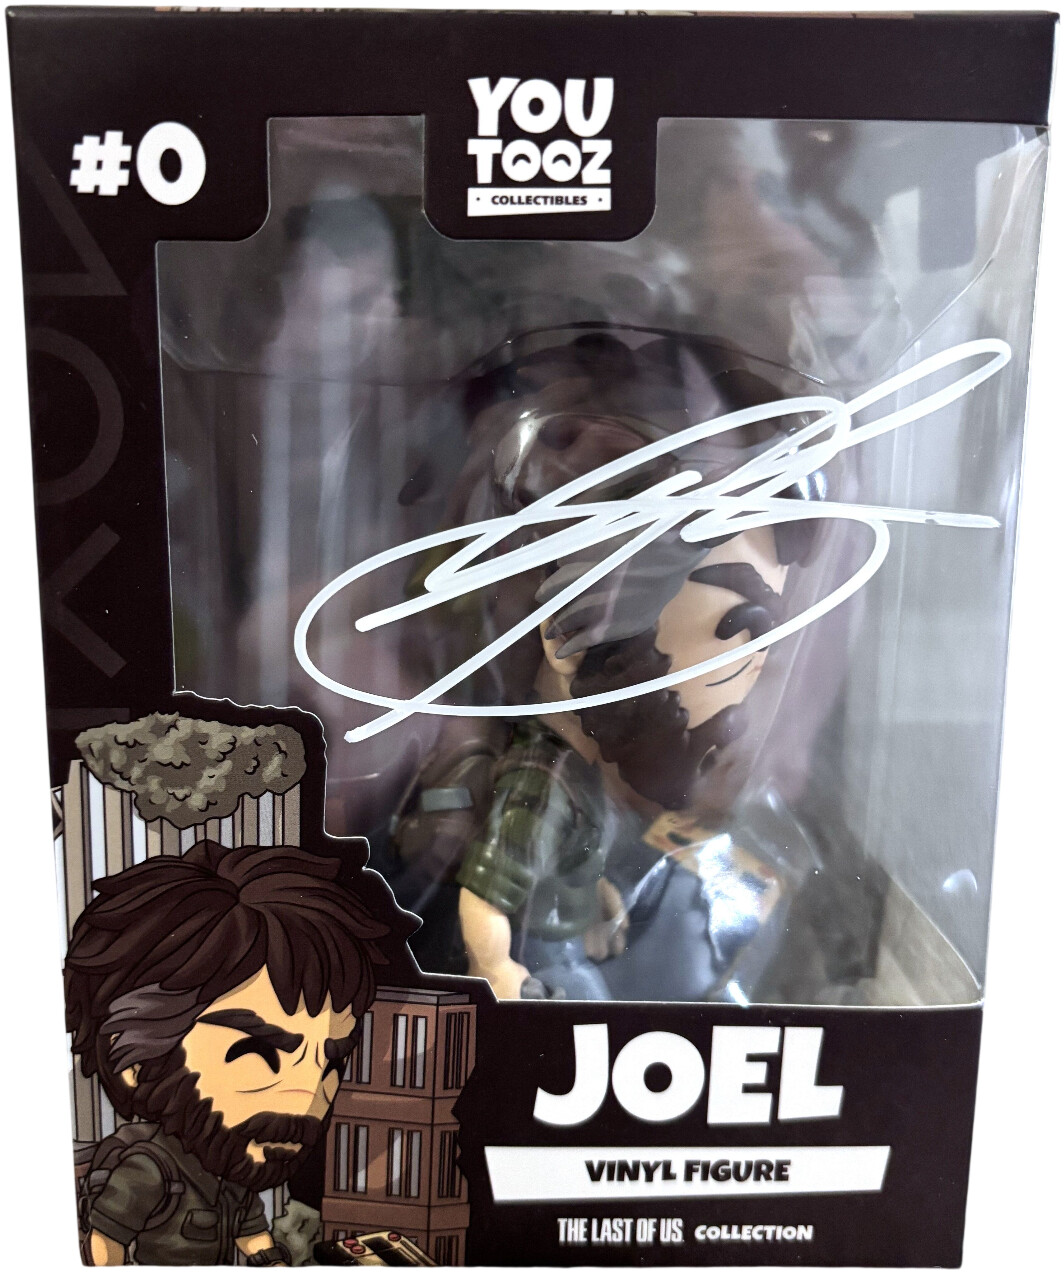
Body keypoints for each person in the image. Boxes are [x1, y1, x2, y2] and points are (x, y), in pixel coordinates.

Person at [390, 326, 826, 1001]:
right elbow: (489, 892)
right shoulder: (544, 782)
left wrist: (595, 898)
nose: (760, 673)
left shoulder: (582, 779)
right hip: (527, 955)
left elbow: (563, 860)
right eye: (739, 635)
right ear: (573, 636)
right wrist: (500, 972)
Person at [65, 840, 391, 1265]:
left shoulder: (233, 1173)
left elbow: (255, 1242)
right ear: (138, 1062)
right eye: (258, 1055)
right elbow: (103, 1247)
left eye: (330, 1064)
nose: (309, 1100)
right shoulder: (147, 1169)